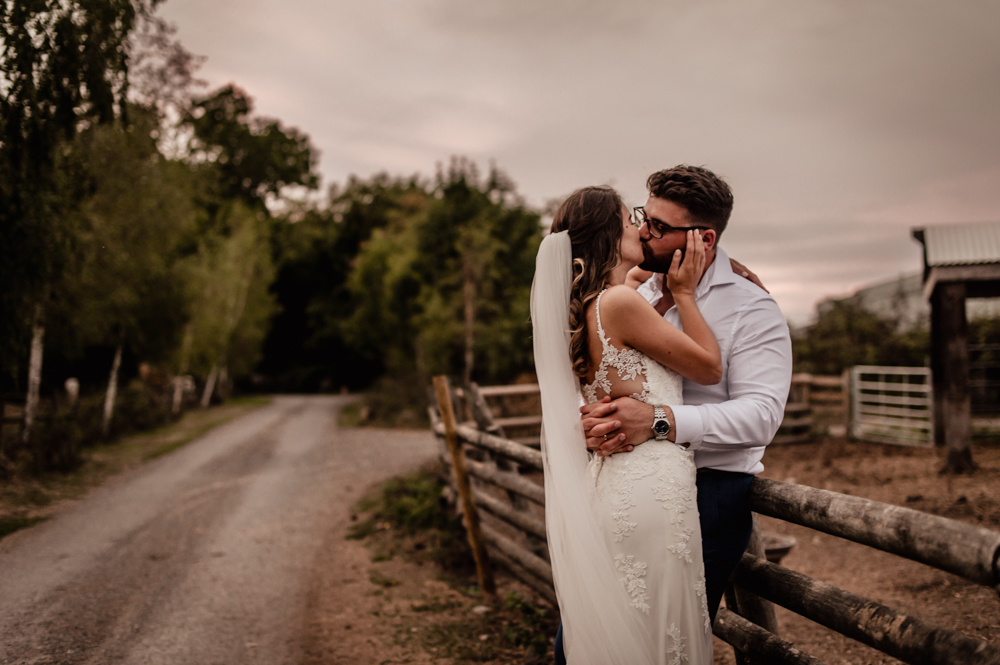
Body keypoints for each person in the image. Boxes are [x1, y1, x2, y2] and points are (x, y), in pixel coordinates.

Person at [579, 166, 793, 642]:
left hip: (708, 496)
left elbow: (761, 416)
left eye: (659, 227)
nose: (643, 232)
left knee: (655, 641)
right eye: (643, 217)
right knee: (584, 641)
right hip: (624, 491)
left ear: (704, 237)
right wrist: (594, 420)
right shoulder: (637, 288)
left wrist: (658, 421)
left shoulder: (751, 308)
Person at [532, 185, 722, 665]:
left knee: (636, 633)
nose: (642, 227)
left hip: (616, 485)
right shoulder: (619, 302)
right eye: (630, 218)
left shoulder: (591, 306)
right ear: (607, 234)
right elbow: (708, 368)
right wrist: (684, 294)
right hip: (650, 488)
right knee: (662, 636)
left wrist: (639, 274)